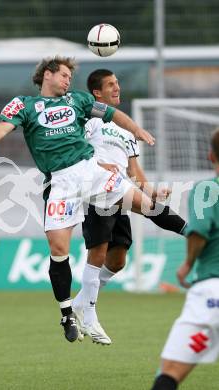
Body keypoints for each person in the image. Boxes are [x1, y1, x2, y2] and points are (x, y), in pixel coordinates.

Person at [0, 56, 155, 343]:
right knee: (59, 247)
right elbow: (2, 127)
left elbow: (112, 113)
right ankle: (67, 314)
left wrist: (136, 130)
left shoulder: (77, 100)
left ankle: (85, 304)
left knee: (120, 248)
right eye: (63, 75)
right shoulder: (23, 105)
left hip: (90, 175)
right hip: (60, 183)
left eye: (69, 78)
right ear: (47, 74)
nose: (67, 81)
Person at [72, 69, 187, 345]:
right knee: (99, 251)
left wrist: (153, 189)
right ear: (96, 93)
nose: (117, 88)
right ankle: (88, 312)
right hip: (97, 189)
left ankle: (80, 301)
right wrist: (99, 165)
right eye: (111, 84)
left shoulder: (125, 128)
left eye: (118, 83)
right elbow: (75, 152)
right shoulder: (90, 120)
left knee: (118, 260)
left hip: (121, 191)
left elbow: (134, 170)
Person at [150, 128, 219, 390]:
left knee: (169, 373)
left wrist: (188, 264)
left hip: (212, 295)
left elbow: (199, 232)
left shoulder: (207, 189)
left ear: (210, 156)